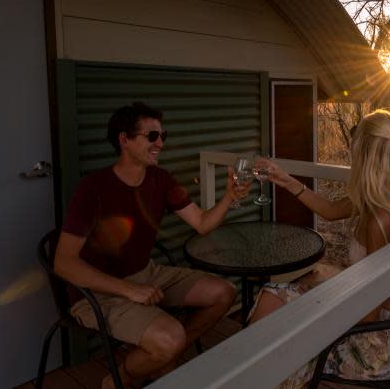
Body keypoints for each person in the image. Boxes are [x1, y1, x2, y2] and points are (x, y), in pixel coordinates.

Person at [54, 101, 249, 389]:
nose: (161, 143)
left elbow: (202, 223)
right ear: (124, 140)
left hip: (148, 273)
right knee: (169, 338)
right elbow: (63, 263)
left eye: (163, 136)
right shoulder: (93, 189)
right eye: (152, 136)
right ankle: (118, 380)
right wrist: (129, 290)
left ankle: (161, 359)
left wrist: (229, 198)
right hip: (97, 292)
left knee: (224, 292)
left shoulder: (161, 179)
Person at [251, 109, 390, 387]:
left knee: (283, 348)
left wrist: (319, 302)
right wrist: (284, 179)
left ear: (365, 157)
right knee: (272, 296)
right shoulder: (383, 199)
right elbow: (330, 210)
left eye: (354, 152)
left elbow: (369, 315)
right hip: (367, 316)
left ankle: (256, 375)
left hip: (378, 345)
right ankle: (253, 369)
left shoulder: (381, 221)